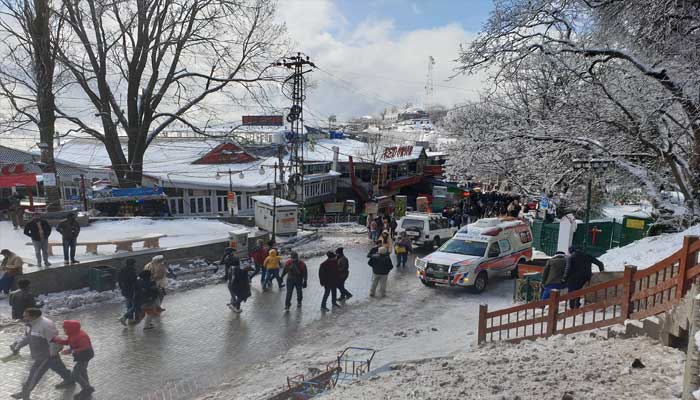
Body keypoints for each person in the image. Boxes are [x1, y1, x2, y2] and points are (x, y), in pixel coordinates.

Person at [10, 308, 74, 400]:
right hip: (44, 355)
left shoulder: (46, 325)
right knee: (59, 367)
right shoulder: (30, 325)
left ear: (34, 316)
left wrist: (52, 354)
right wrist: (18, 346)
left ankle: (25, 393)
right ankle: (69, 379)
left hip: (46, 356)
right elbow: (28, 338)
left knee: (34, 374)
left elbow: (55, 341)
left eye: (25, 316)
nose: (23, 317)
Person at [53, 320, 95, 399]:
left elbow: (85, 347)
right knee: (82, 371)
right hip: (80, 356)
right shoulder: (73, 334)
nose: (64, 330)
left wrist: (70, 351)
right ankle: (86, 387)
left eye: (66, 328)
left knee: (75, 374)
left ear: (71, 328)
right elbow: (69, 342)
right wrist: (58, 341)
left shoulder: (81, 336)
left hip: (85, 356)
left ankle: (87, 388)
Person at [117, 259, 138, 325]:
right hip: (131, 290)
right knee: (135, 305)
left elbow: (119, 280)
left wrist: (122, 288)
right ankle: (124, 318)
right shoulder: (132, 271)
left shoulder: (122, 270)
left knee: (129, 305)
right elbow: (134, 282)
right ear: (132, 264)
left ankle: (130, 319)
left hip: (124, 290)